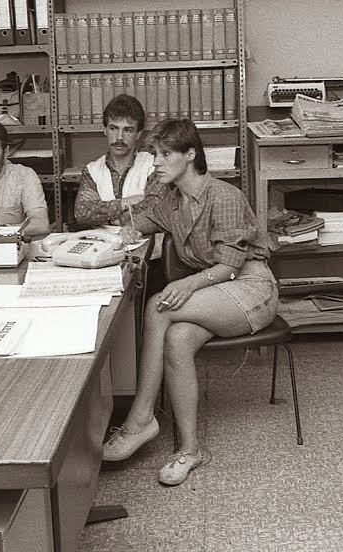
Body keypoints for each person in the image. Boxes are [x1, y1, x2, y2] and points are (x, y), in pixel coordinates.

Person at [98, 118, 278, 486]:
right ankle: (190, 450)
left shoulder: (224, 196)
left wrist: (188, 284)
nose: (156, 162)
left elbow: (230, 265)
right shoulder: (173, 200)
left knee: (157, 307)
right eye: (155, 154)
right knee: (177, 338)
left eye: (166, 155)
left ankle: (140, 420)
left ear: (191, 155)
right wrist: (126, 230)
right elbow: (143, 221)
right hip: (212, 294)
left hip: (251, 288)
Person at [71, 94, 159, 229]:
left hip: (142, 240)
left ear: (138, 133)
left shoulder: (153, 165)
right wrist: (124, 203)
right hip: (102, 241)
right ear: (105, 129)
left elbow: (155, 211)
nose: (119, 137)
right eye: (113, 128)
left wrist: (103, 213)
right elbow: (81, 214)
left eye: (128, 130)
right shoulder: (92, 170)